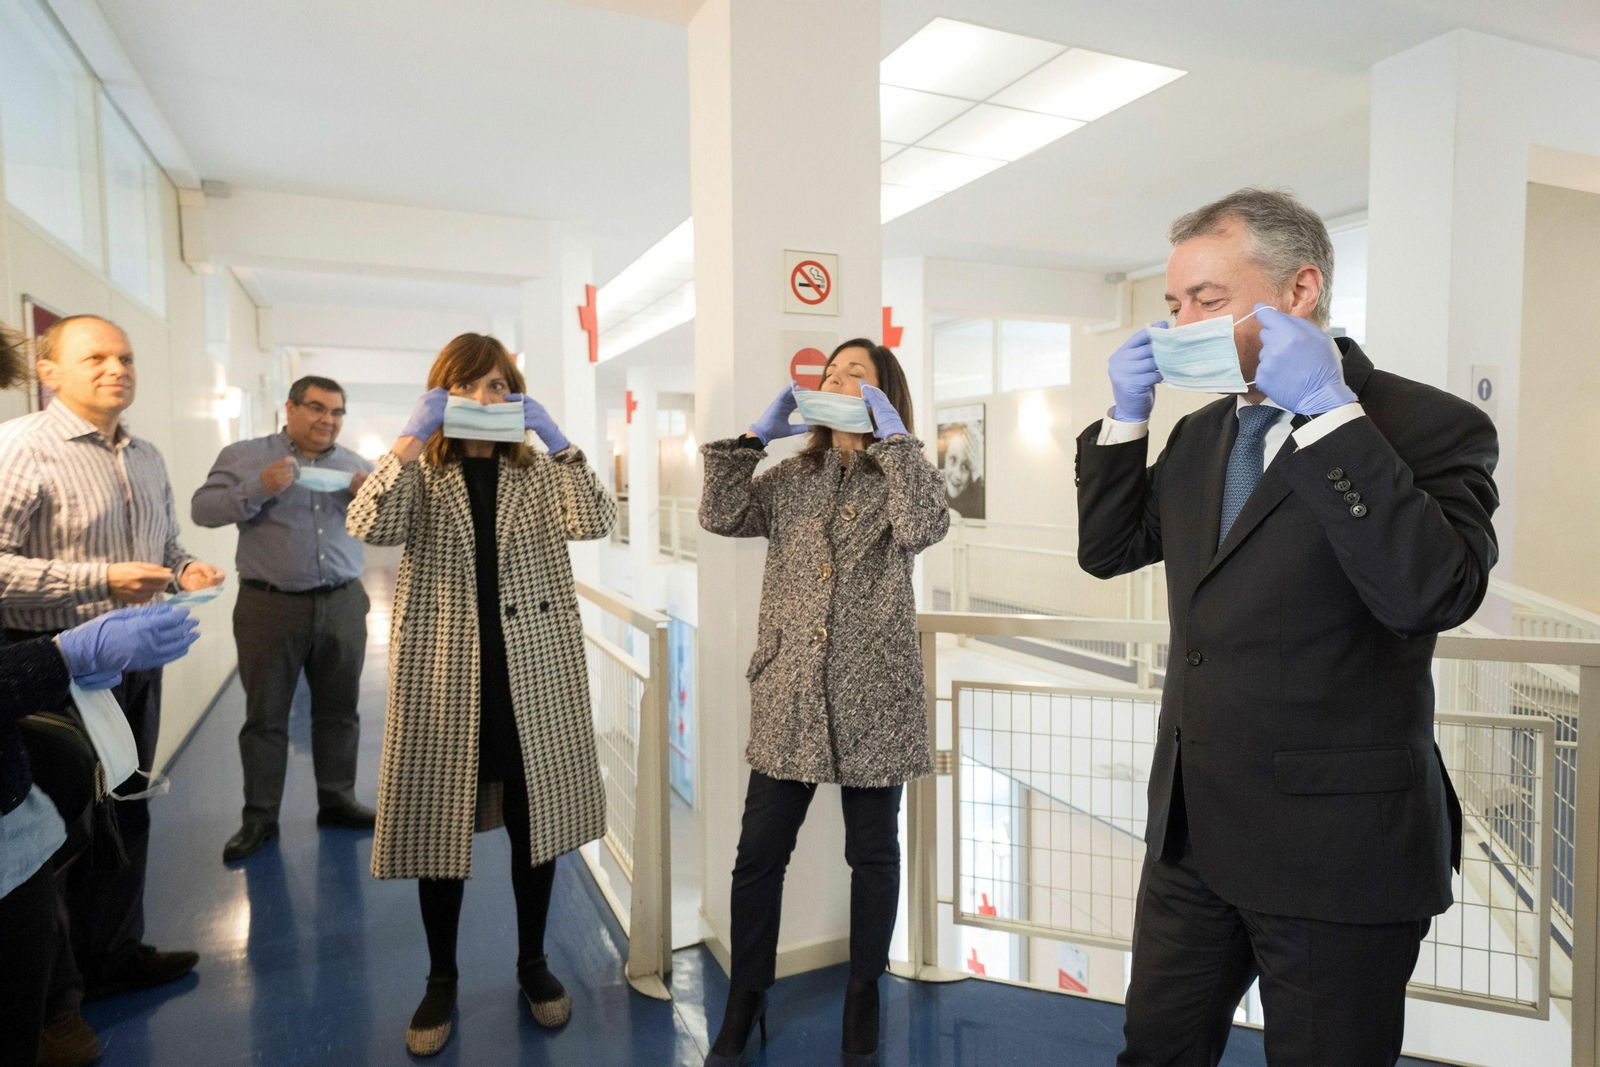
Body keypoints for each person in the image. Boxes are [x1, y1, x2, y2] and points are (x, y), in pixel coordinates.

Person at [1075, 189, 1498, 1066]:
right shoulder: (1200, 436)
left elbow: (1431, 593)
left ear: (1299, 292)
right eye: (1173, 305)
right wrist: (1126, 417)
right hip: (1192, 838)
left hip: (1334, 855)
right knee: (1154, 1051)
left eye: (1207, 300)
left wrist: (1331, 415)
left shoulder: (1427, 426)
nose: (1181, 325)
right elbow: (1110, 548)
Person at [347, 334, 616, 1057]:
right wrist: (410, 439)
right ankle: (441, 977)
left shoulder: (537, 472)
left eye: (498, 385)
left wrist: (560, 443)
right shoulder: (422, 473)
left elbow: (597, 521)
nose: (484, 398)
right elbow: (368, 525)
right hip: (446, 671)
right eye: (465, 386)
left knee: (536, 824)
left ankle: (533, 963)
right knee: (438, 826)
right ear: (440, 394)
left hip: (534, 670)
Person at [698, 339, 949, 1067]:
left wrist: (895, 444)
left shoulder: (903, 476)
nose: (835, 382)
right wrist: (753, 439)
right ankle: (747, 997)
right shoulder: (792, 477)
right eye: (829, 374)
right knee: (758, 856)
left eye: (854, 376)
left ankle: (863, 994)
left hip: (876, 696)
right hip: (791, 690)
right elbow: (720, 513)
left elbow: (925, 527)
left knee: (873, 854)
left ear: (882, 396)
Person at [0, 314, 226, 1059]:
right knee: (53, 836)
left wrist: (185, 567)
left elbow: (164, 545)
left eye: (124, 357)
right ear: (49, 371)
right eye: (94, 356)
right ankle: (53, 1005)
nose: (116, 368)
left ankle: (115, 956)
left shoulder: (145, 454)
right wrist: (97, 579)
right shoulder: (20, 448)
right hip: (46, 669)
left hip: (134, 664)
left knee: (126, 809)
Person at [191, 375, 377, 862]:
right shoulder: (245, 456)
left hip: (343, 603)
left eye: (336, 412)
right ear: (290, 408)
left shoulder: (359, 466)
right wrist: (259, 486)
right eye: (317, 408)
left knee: (339, 711)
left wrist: (372, 502)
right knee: (266, 717)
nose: (327, 420)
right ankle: (260, 818)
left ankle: (337, 800)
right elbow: (202, 510)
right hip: (269, 605)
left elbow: (388, 530)